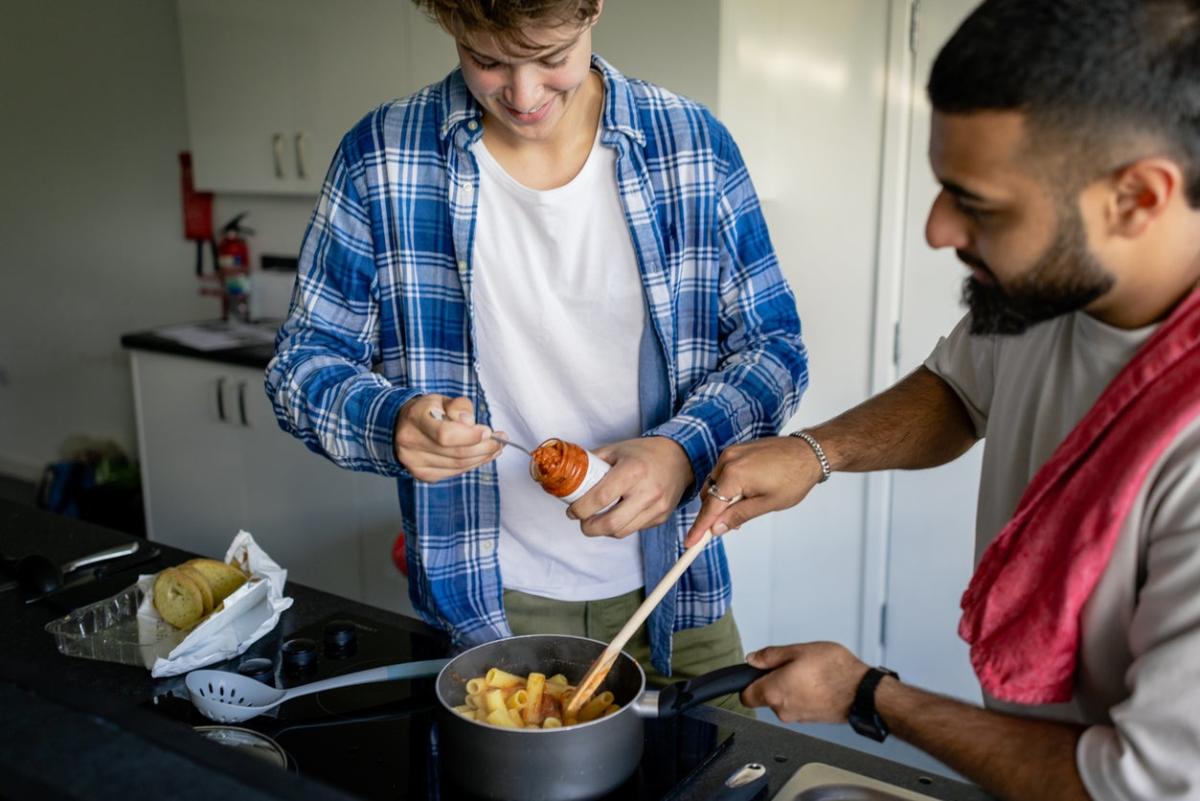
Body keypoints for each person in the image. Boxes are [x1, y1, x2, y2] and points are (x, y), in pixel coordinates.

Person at [687, 0, 1200, 797]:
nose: (935, 228)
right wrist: (815, 452)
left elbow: (1137, 786)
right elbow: (959, 390)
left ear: (1137, 197)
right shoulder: (1045, 291)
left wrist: (868, 695)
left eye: (979, 203)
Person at [265, 0, 807, 703]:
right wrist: (388, 421)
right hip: (484, 610)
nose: (522, 97)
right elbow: (300, 364)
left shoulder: (691, 145)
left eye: (553, 58)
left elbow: (774, 348)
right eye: (486, 60)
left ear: (595, 9)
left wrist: (682, 451)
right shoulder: (381, 156)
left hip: (680, 594)